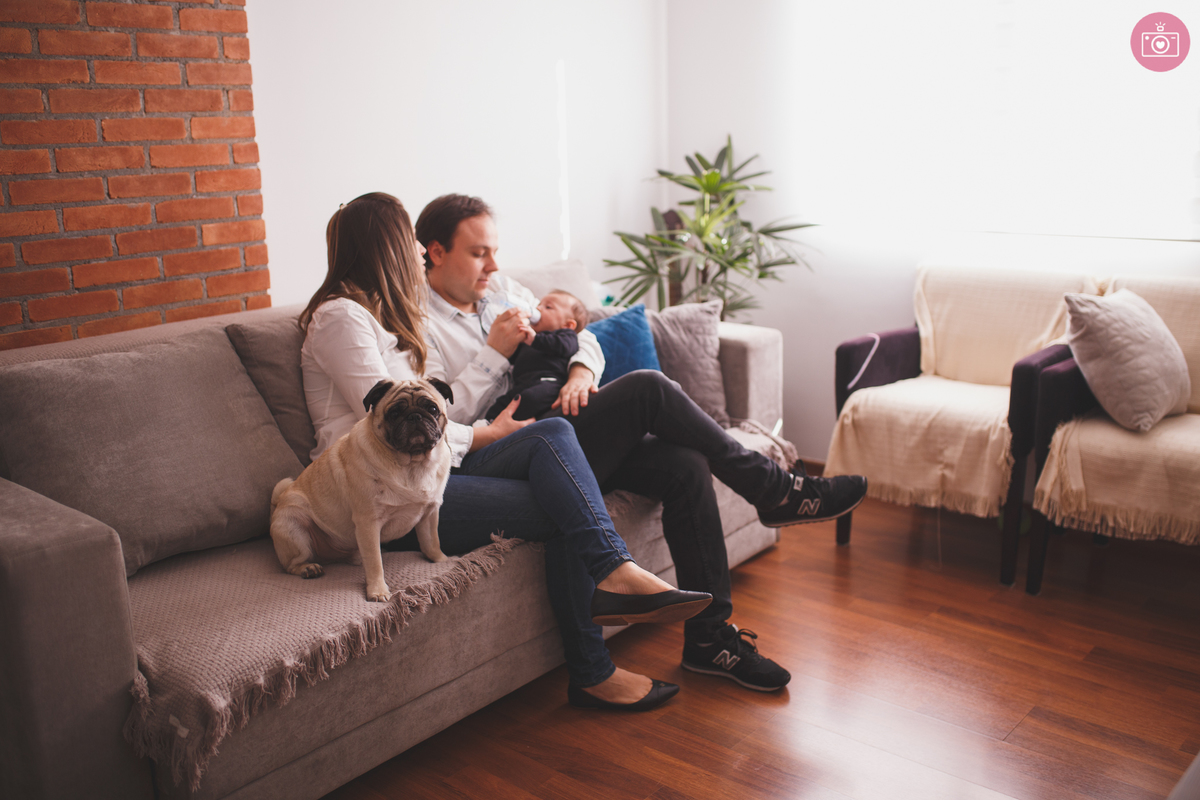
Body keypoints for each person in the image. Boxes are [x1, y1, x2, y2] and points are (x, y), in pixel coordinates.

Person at [417, 194, 869, 693]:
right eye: (480, 253)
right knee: (648, 387)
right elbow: (437, 419)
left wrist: (581, 371)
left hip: (557, 427)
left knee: (684, 464)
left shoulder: (503, 289)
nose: (494, 265)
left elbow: (583, 331)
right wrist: (491, 357)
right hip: (499, 453)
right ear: (436, 252)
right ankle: (774, 490)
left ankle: (709, 638)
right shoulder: (419, 324)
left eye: (495, 251)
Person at [299, 192, 712, 711]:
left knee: (565, 448)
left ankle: (616, 603)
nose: (419, 256)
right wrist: (483, 434)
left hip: (429, 469)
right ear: (387, 247)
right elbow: (389, 419)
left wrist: (503, 412)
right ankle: (597, 655)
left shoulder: (384, 317)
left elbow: (435, 410)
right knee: (563, 494)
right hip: (382, 491)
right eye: (410, 243)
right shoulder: (341, 317)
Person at [484, 290, 588, 422]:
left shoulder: (565, 336)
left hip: (548, 383)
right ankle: (489, 426)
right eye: (539, 304)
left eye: (548, 307)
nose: (538, 308)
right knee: (501, 404)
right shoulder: (530, 339)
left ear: (568, 325)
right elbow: (512, 357)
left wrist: (534, 340)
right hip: (522, 384)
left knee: (531, 398)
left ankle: (525, 422)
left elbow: (565, 347)